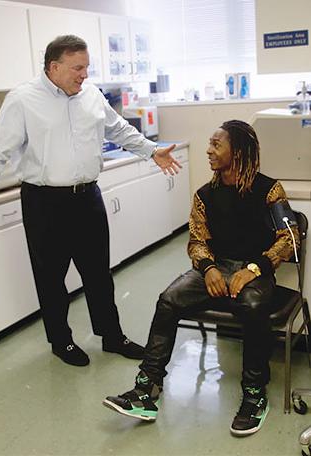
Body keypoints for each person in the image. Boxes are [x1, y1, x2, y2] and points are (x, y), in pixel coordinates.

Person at [0, 35, 181, 367]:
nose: (84, 74)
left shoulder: (91, 95)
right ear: (54, 67)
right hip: (44, 202)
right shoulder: (23, 100)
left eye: (86, 67)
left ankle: (112, 336)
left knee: (98, 273)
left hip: (87, 199)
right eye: (77, 68)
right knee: (51, 277)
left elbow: (120, 131)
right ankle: (61, 341)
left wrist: (151, 151)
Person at [103, 119, 300, 436]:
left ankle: (254, 394)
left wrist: (254, 269)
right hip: (216, 267)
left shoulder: (269, 189)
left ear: (238, 152)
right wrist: (208, 268)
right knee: (169, 300)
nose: (208, 150)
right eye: (210, 143)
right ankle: (146, 389)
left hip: (255, 272)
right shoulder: (204, 195)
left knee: (252, 308)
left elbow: (290, 237)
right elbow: (197, 240)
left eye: (216, 144)